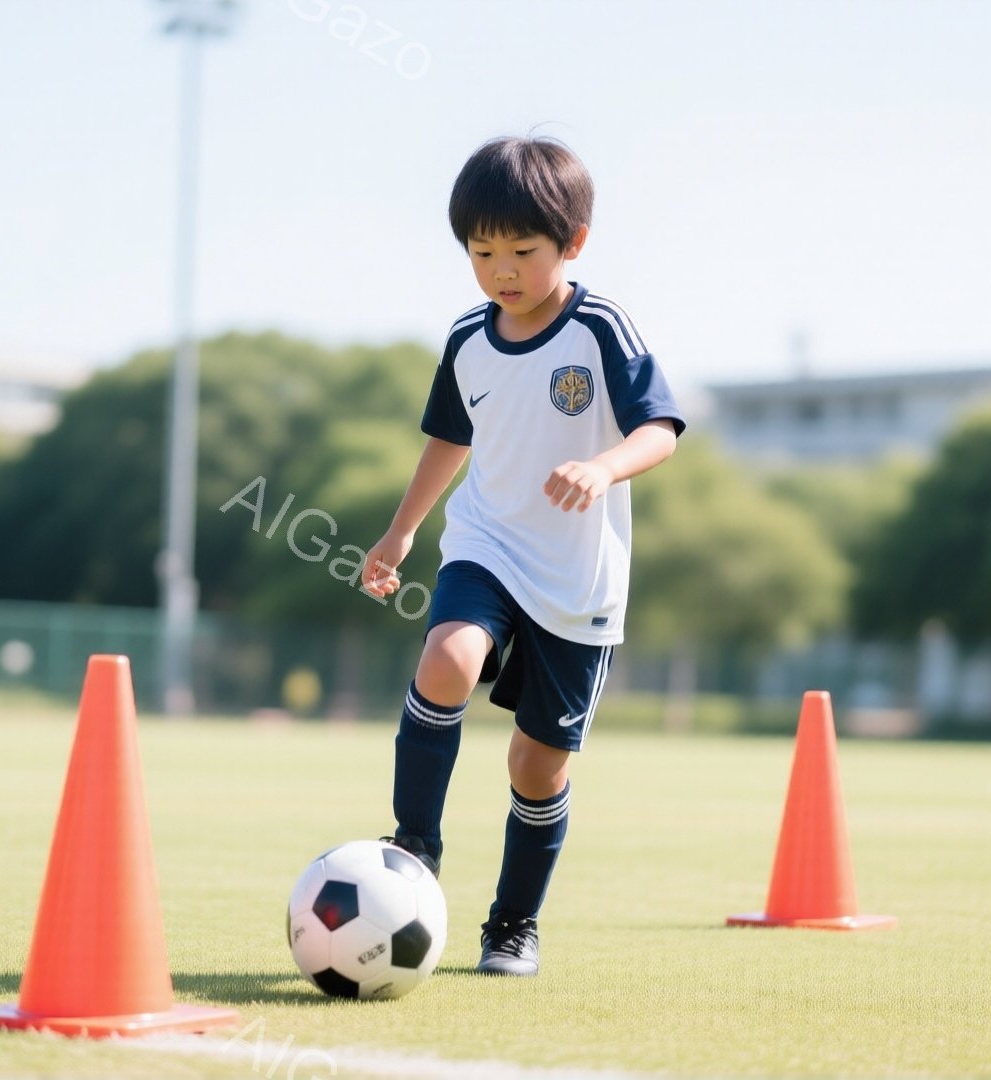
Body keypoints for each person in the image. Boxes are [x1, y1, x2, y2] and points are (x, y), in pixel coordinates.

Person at [361, 135, 684, 976]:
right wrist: (400, 533)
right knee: (448, 656)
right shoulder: (469, 337)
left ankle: (512, 925)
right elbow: (447, 438)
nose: (500, 269)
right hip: (487, 544)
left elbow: (660, 427)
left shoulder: (601, 327)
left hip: (578, 584)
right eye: (481, 251)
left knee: (536, 767)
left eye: (521, 251)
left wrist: (603, 464)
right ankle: (415, 847)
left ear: (572, 243)